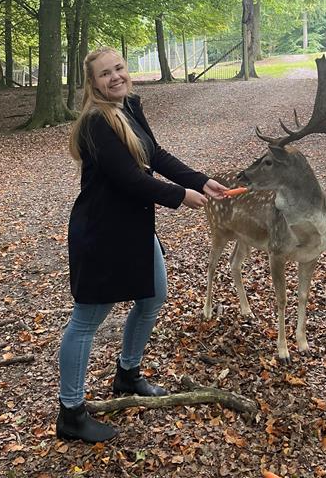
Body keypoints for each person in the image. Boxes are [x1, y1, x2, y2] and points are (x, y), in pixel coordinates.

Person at [56, 47, 227, 443]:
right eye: (105, 74)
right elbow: (129, 180)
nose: (115, 77)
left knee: (153, 297)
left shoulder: (129, 105)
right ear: (93, 83)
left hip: (133, 227)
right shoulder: (96, 122)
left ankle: (127, 375)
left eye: (119, 68)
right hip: (101, 234)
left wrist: (201, 181)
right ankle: (71, 412)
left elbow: (155, 154)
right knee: (86, 320)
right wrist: (180, 196)